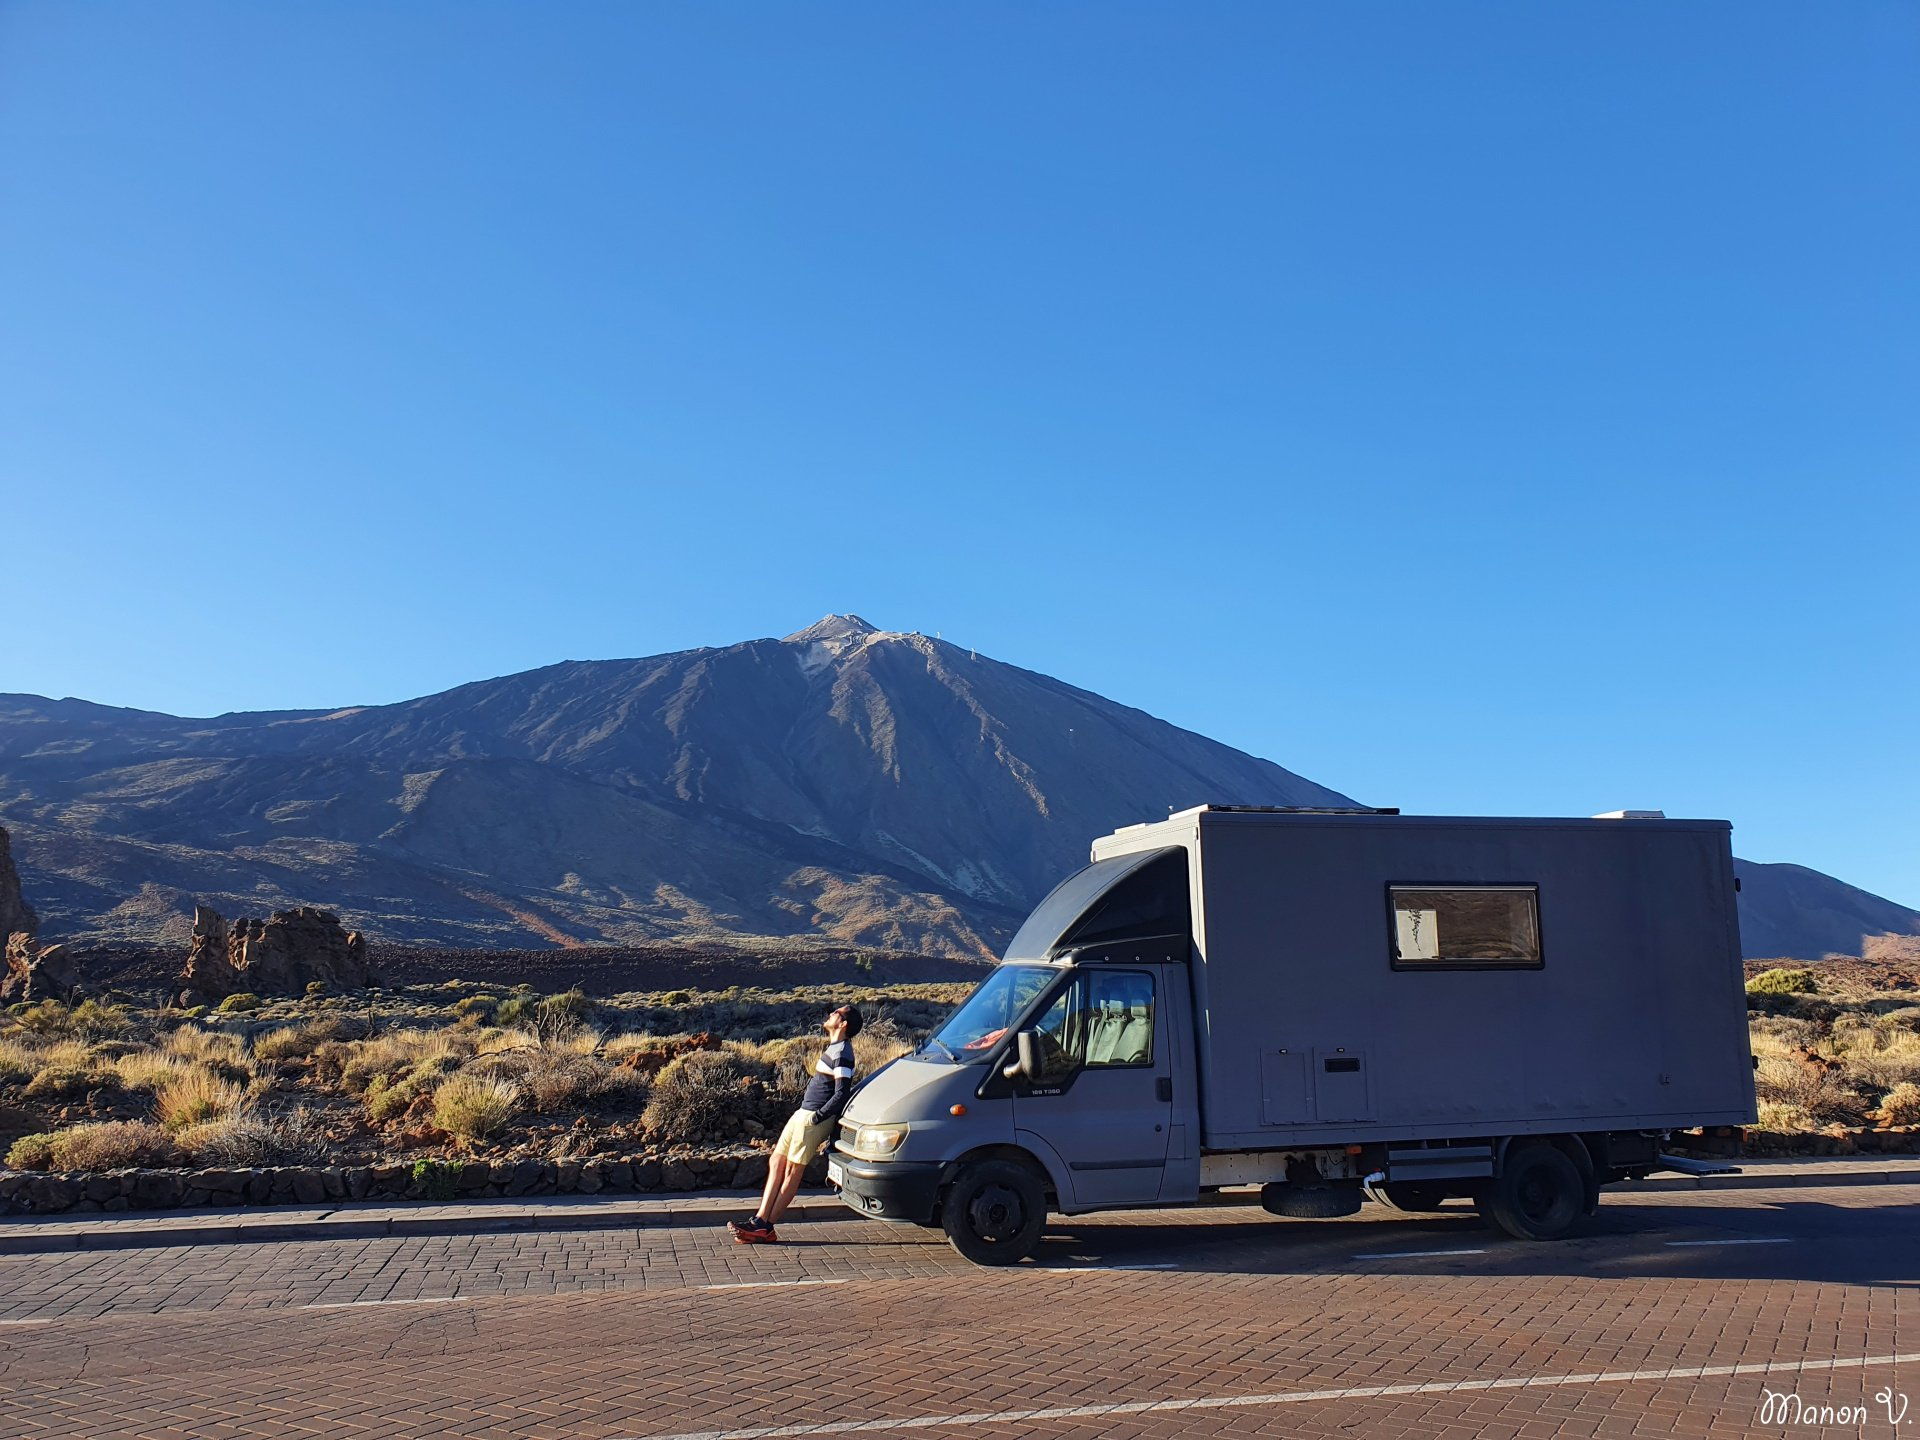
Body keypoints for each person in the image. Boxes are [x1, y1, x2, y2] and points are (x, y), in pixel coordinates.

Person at [729, 1004, 862, 1244]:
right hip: (803, 1113)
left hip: (812, 1118)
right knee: (777, 1160)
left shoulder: (842, 1051)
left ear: (843, 1024)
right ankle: (759, 1220)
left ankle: (765, 1227)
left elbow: (842, 1092)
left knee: (792, 1169)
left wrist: (818, 1116)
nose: (831, 1014)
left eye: (837, 1013)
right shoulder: (835, 1048)